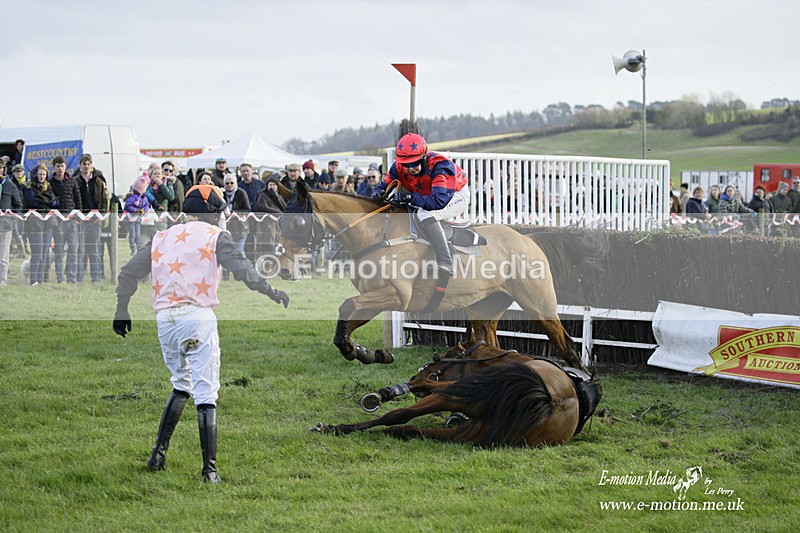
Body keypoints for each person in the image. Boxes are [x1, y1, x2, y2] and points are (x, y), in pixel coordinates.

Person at [113, 184, 289, 483]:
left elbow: (129, 271)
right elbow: (243, 269)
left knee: (181, 384)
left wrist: (122, 308)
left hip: (165, 320)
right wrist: (270, 290)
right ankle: (210, 471)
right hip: (197, 319)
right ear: (212, 213)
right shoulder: (215, 236)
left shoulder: (161, 236)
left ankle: (158, 453)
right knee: (206, 392)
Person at [371, 133, 469, 279]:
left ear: (424, 157)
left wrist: (409, 197)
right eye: (407, 165)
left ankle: (446, 261)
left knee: (426, 214)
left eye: (415, 163)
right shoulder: (398, 166)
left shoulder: (441, 166)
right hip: (428, 195)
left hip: (454, 195)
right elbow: (385, 184)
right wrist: (378, 193)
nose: (411, 168)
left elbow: (438, 202)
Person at [75, 154, 110, 283]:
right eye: (84, 164)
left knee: (95, 250)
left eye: (89, 164)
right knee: (81, 250)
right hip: (80, 221)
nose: (86, 166)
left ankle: (96, 278)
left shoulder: (98, 181)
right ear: (80, 166)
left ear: (92, 165)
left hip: (95, 221)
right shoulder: (75, 181)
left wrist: (101, 216)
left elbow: (104, 201)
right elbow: (73, 200)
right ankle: (79, 277)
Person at [49, 155, 82, 283]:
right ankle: (60, 278)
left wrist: (78, 217)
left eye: (62, 166)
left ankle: (71, 278)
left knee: (73, 250)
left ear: (65, 167)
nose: (60, 168)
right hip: (58, 222)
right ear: (54, 167)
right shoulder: (51, 183)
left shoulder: (72, 181)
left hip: (72, 221)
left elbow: (77, 199)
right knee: (59, 252)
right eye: (58, 166)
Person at [22, 164, 57, 285]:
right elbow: (33, 202)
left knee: (44, 253)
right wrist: (46, 201)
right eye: (40, 174)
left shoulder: (49, 187)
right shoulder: (29, 186)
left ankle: (41, 280)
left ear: (46, 175)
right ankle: (33, 280)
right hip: (34, 222)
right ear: (36, 174)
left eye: (44, 174)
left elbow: (54, 203)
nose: (41, 176)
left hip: (47, 222)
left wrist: (44, 201)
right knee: (37, 253)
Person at [0, 164, 23, 286]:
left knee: (3, 256)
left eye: (1, 168)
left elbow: (18, 205)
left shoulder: (10, 185)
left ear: (3, 170)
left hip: (5, 226)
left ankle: (2, 282)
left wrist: (13, 218)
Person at [124, 177, 151, 254]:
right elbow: (128, 206)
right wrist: (137, 210)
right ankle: (133, 248)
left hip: (138, 220)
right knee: (132, 234)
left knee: (138, 234)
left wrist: (144, 211)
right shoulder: (133, 198)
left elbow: (147, 205)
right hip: (131, 219)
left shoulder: (144, 198)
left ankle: (138, 248)